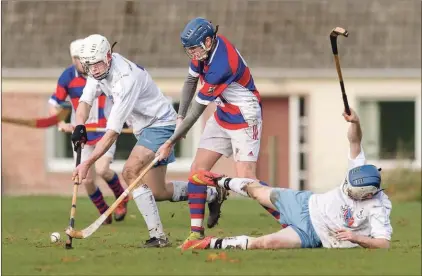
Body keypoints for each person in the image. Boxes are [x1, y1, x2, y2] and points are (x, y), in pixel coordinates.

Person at [71, 34, 223, 248]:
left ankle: (158, 237)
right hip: (144, 129)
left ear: (108, 56)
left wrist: (87, 163)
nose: (93, 69)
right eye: (89, 65)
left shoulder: (125, 80)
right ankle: (211, 193)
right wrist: (79, 125)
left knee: (129, 171)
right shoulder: (97, 71)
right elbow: (86, 100)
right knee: (158, 192)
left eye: (96, 63)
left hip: (160, 124)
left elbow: (113, 132)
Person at [182, 108, 393, 250]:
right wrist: (355, 122)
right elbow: (355, 141)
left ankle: (207, 244)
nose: (345, 190)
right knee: (256, 191)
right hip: (304, 203)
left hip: (314, 234)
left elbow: (384, 243)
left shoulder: (377, 208)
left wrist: (355, 238)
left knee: (266, 243)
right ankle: (218, 180)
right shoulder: (360, 169)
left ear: (366, 195)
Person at [156, 17, 280, 247]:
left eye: (194, 48)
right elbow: (190, 81)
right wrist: (179, 116)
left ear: (208, 41)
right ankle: (195, 233)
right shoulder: (204, 52)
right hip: (223, 113)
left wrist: (171, 141)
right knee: (197, 170)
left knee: (247, 180)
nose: (192, 54)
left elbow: (198, 109)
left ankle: (290, 220)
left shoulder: (222, 64)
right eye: (188, 50)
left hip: (245, 116)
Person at [48, 39, 127, 225]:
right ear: (73, 59)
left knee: (103, 170)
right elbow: (53, 104)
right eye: (77, 58)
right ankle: (104, 212)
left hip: (104, 131)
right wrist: (60, 123)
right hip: (82, 135)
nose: (82, 62)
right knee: (87, 180)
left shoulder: (103, 73)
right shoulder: (67, 77)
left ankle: (121, 199)